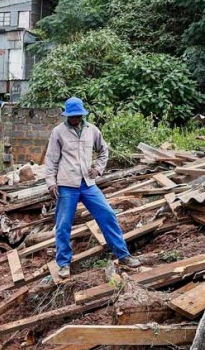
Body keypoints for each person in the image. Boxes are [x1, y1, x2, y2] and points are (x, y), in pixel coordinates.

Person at [44, 97, 141, 278]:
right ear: (67, 115)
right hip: (67, 185)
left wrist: (98, 169)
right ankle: (64, 264)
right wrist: (51, 183)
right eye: (72, 116)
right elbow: (50, 160)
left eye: (78, 116)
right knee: (63, 225)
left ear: (82, 115)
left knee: (108, 215)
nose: (75, 119)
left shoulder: (92, 130)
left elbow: (104, 150)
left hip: (88, 184)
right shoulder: (58, 132)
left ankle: (123, 255)